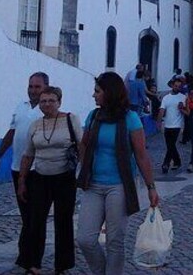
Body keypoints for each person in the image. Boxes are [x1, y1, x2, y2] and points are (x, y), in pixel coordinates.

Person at [76, 72, 160, 275]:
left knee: (115, 240)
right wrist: (84, 165)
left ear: (109, 93)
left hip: (119, 186)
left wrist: (151, 187)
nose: (93, 95)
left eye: (97, 91)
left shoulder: (130, 119)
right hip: (93, 184)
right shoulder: (94, 116)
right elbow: (84, 145)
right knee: (85, 239)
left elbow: (141, 155)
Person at [17, 86, 83, 274]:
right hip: (40, 177)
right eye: (43, 100)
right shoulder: (36, 125)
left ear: (59, 102)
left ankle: (62, 265)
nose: (46, 104)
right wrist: (22, 180)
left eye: (51, 100)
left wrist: (85, 172)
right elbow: (28, 154)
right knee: (35, 222)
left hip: (64, 177)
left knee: (64, 221)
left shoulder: (71, 119)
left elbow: (81, 145)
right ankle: (33, 264)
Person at [0, 71, 46, 270]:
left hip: (38, 170)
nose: (33, 90)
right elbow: (12, 132)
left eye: (37, 87)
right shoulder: (21, 107)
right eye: (31, 86)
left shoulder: (46, 110)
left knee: (36, 217)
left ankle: (33, 260)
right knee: (26, 215)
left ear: (45, 88)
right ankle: (25, 255)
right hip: (17, 168)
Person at [158, 77, 187, 173]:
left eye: (179, 86)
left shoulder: (183, 97)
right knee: (170, 145)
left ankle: (165, 164)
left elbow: (187, 112)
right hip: (167, 125)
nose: (177, 87)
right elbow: (162, 110)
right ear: (172, 85)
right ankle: (177, 161)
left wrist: (182, 108)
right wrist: (159, 122)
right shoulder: (166, 98)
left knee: (171, 145)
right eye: (175, 86)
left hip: (177, 125)